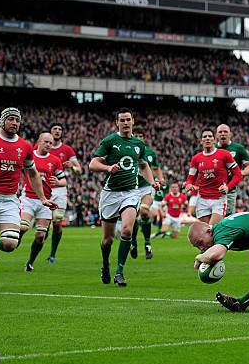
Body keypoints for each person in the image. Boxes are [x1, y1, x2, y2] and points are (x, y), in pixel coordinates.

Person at [0, 107, 57, 291]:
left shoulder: (25, 146)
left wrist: (43, 198)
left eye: (17, 120)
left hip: (9, 200)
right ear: (2, 121)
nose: (15, 123)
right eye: (11, 119)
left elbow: (33, 174)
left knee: (10, 244)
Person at [89, 107, 158, 287]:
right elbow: (92, 164)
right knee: (108, 240)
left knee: (127, 230)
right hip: (110, 194)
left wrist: (152, 182)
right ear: (117, 123)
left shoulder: (139, 144)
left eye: (128, 119)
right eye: (122, 120)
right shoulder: (110, 141)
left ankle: (120, 272)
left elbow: (143, 166)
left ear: (133, 121)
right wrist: (107, 168)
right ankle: (106, 264)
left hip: (131, 193)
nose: (126, 123)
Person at [19, 132, 67, 272]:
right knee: (23, 227)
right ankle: (17, 237)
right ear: (39, 141)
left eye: (51, 143)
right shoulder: (30, 155)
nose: (48, 145)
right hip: (28, 197)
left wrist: (58, 182)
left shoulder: (55, 160)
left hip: (46, 200)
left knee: (40, 236)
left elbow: (63, 180)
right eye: (46, 142)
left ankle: (30, 262)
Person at [184, 128, 242, 225]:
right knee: (206, 232)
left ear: (214, 140)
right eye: (204, 137)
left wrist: (227, 187)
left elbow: (238, 174)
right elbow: (190, 178)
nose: (207, 138)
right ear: (201, 141)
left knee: (211, 229)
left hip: (219, 199)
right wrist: (189, 184)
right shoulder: (196, 159)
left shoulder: (224, 155)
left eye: (210, 136)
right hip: (202, 199)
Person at [45, 122, 82, 263]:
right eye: (55, 128)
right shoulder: (42, 147)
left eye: (60, 129)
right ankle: (40, 242)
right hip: (44, 188)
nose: (57, 131)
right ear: (50, 131)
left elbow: (79, 171)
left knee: (57, 223)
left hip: (60, 190)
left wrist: (72, 167)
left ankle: (52, 254)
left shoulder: (67, 150)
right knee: (44, 224)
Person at [130, 127, 164, 260]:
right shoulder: (128, 150)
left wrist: (160, 179)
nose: (138, 138)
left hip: (146, 188)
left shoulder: (150, 152)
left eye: (141, 136)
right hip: (131, 188)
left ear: (144, 138)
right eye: (136, 136)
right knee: (132, 218)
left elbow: (156, 168)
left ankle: (148, 244)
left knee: (144, 212)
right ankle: (133, 242)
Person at [216, 124, 249, 215]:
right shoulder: (212, 149)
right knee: (214, 218)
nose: (223, 134)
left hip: (230, 189)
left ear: (230, 134)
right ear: (216, 135)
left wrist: (238, 173)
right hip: (214, 189)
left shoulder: (238, 148)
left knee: (227, 217)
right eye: (220, 132)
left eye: (225, 132)